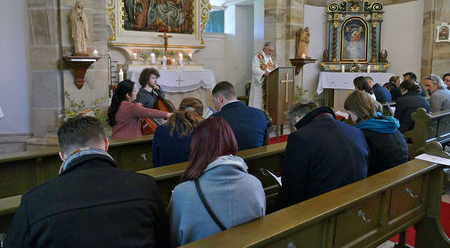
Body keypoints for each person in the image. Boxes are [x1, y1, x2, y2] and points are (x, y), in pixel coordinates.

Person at [6, 116, 169, 248]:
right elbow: (163, 240)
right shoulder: (145, 186)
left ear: (62, 155)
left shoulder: (34, 201)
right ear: (106, 144)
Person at [169, 117, 266, 246]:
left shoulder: (182, 192)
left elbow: (173, 239)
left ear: (197, 147)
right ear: (231, 141)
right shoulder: (254, 184)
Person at [277, 101, 369, 208]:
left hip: (322, 207)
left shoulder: (300, 137)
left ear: (297, 119)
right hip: (358, 199)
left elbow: (292, 186)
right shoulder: (355, 131)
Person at [344, 91, 408, 176]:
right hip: (403, 172)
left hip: (384, 179)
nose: (351, 118)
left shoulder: (365, 132)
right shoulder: (387, 122)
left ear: (357, 111)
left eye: (350, 114)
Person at [212, 81, 268, 150]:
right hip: (258, 159)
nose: (215, 106)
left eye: (214, 101)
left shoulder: (214, 120)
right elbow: (265, 145)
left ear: (220, 98)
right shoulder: (259, 114)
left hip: (230, 160)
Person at [152, 97, 203, 167]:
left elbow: (155, 160)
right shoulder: (204, 130)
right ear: (200, 114)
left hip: (166, 174)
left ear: (179, 110)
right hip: (195, 174)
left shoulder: (160, 130)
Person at [249, 42, 277, 110]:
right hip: (259, 84)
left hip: (268, 83)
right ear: (264, 49)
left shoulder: (270, 58)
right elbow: (254, 68)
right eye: (269, 50)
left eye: (272, 51)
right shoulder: (257, 57)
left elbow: (272, 68)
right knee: (258, 102)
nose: (271, 52)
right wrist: (263, 73)